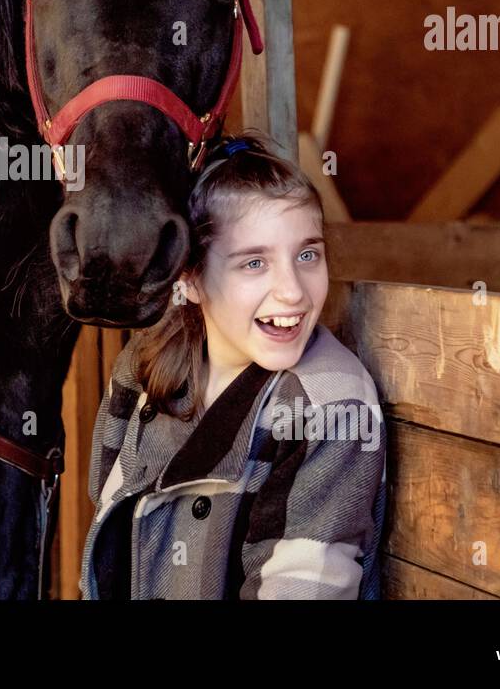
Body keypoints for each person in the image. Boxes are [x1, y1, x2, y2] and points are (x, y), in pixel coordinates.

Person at [79, 134, 387, 599]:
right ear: (192, 278)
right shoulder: (141, 370)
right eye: (254, 263)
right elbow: (107, 533)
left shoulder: (330, 405)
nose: (293, 291)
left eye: (308, 255)